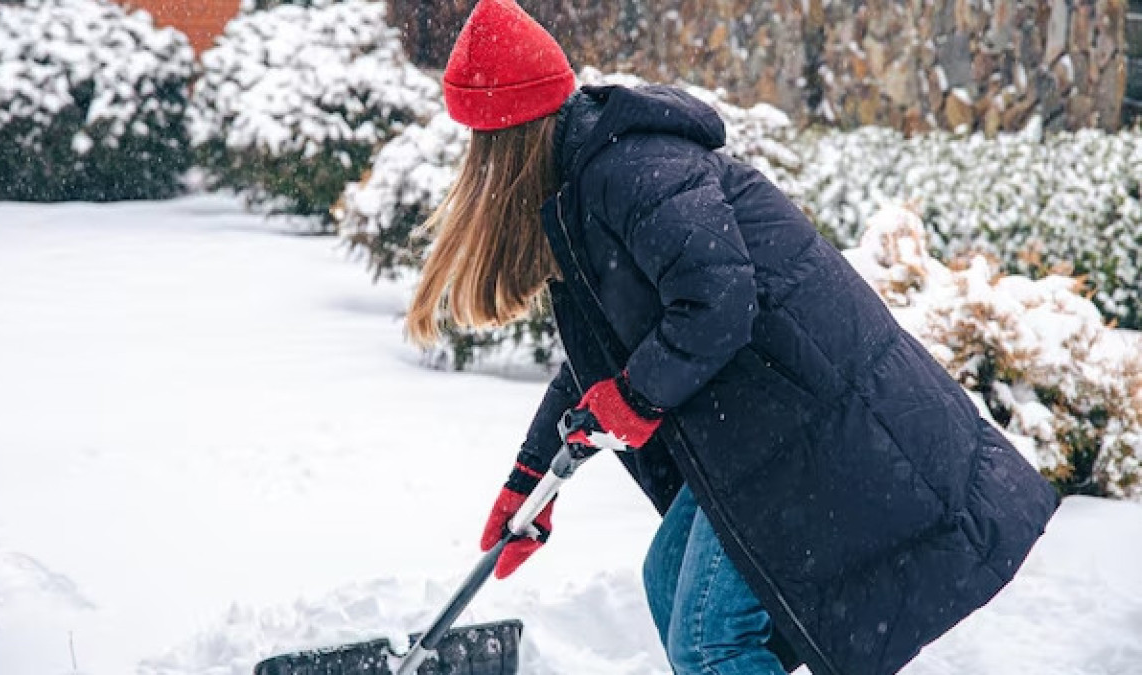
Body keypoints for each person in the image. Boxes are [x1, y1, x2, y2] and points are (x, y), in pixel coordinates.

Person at [405, 1, 1061, 674]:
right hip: (765, 430)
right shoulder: (585, 185)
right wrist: (529, 477)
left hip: (815, 425)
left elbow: (718, 300)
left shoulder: (630, 170)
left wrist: (635, 397)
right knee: (670, 584)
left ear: (507, 140)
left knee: (711, 637)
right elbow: (600, 361)